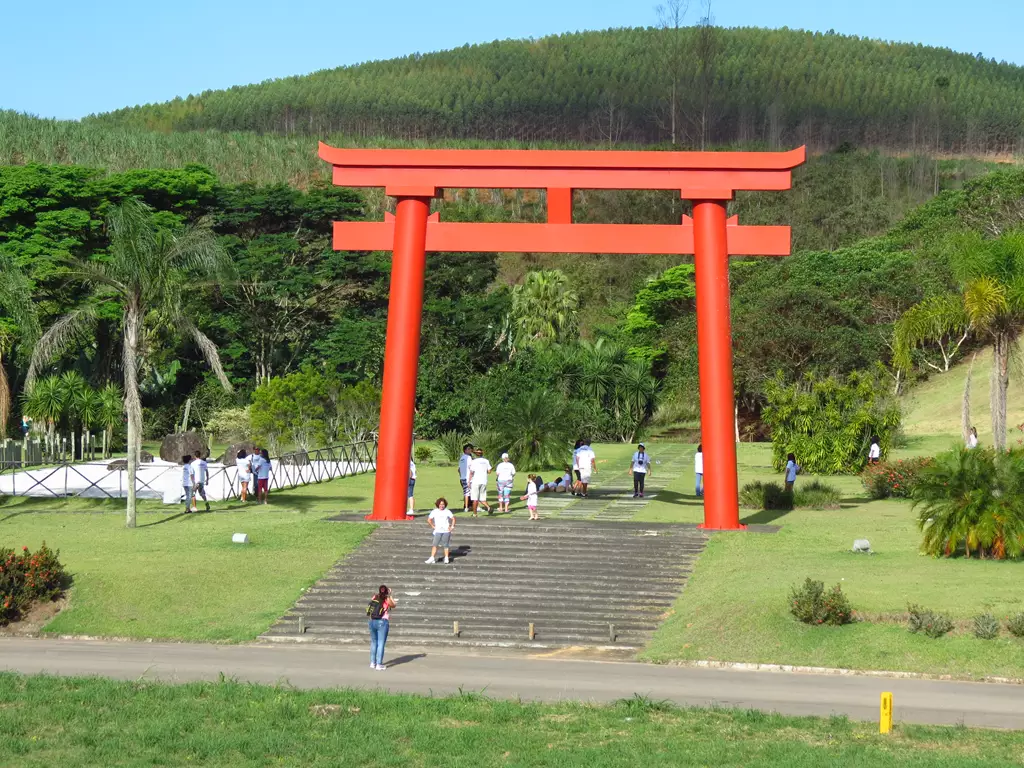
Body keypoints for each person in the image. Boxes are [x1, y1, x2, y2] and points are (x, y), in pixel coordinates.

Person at [367, 584, 396, 671]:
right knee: (381, 643)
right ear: (386, 591)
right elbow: (393, 605)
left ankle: (372, 663)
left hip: (372, 621)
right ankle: (379, 664)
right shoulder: (387, 598)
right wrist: (390, 595)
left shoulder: (374, 597)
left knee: (374, 642)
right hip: (382, 622)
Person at [425, 497, 455, 564]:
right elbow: (429, 519)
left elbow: (453, 518)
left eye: (443, 504)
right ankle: (432, 557)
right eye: (440, 504)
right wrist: (433, 526)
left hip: (446, 531)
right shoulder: (435, 511)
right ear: (438, 504)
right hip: (438, 530)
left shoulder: (447, 511)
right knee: (435, 544)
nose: (442, 506)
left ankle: (446, 558)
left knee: (446, 545)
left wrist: (452, 527)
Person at [468, 448, 492, 516]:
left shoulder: (474, 461)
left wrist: (469, 481)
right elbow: (489, 471)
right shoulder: (486, 461)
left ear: (476, 454)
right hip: (484, 481)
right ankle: (489, 507)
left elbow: (471, 472)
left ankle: (474, 514)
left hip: (476, 481)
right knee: (482, 498)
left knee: (475, 498)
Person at [458, 443, 474, 513]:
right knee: (470, 493)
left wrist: (461, 475)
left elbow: (459, 469)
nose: (470, 450)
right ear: (465, 450)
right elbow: (471, 468)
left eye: (470, 449)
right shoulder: (468, 457)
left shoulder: (461, 458)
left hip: (462, 478)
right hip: (468, 478)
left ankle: (467, 506)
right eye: (468, 449)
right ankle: (468, 507)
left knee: (466, 493)